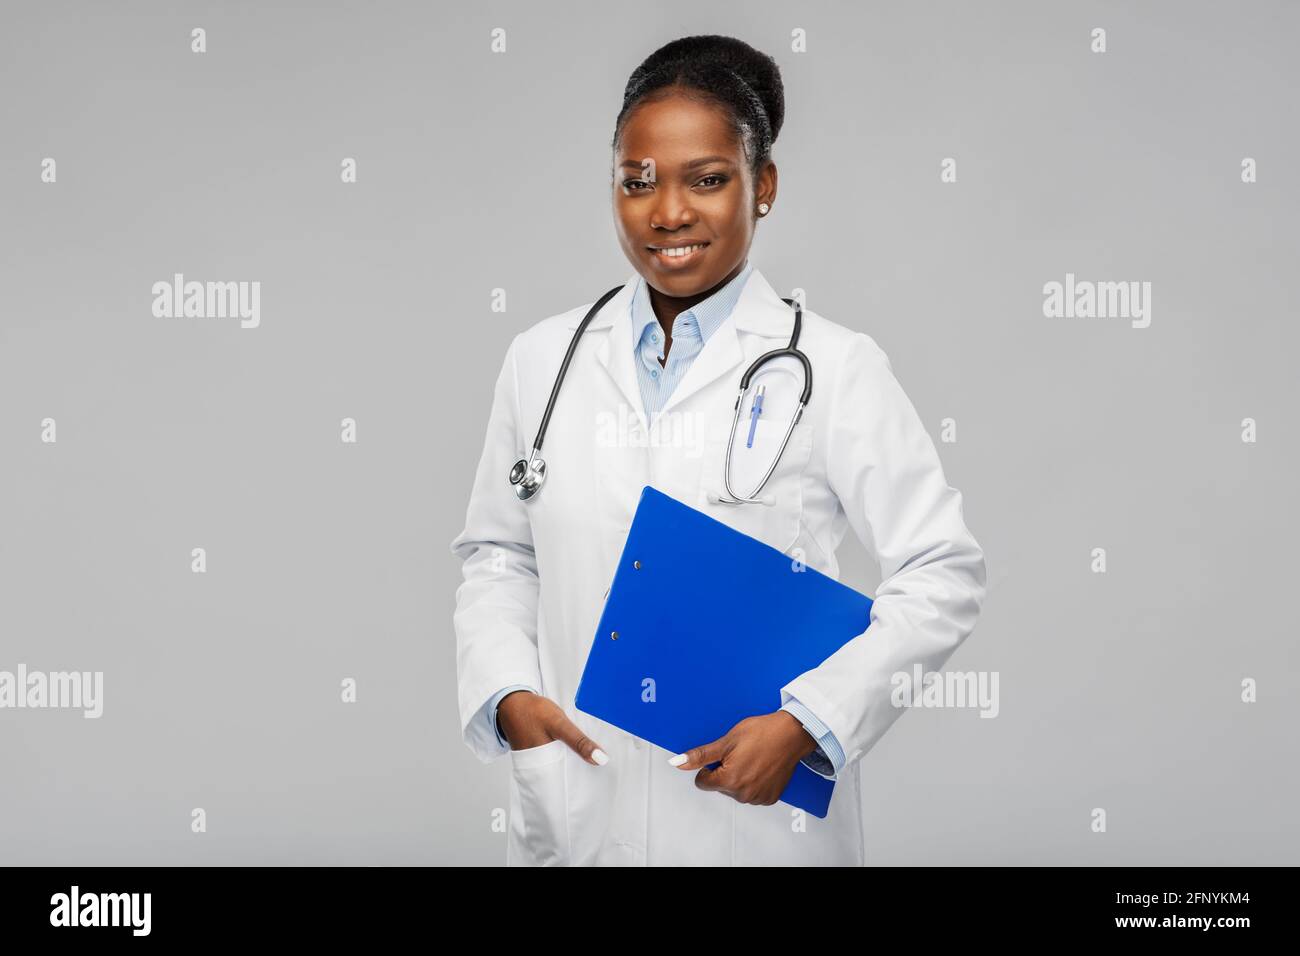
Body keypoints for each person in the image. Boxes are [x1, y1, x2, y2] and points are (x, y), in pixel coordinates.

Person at [449, 34, 987, 866]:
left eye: (707, 179)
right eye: (638, 182)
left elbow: (942, 572)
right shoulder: (542, 360)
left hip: (755, 828)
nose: (668, 212)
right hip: (580, 804)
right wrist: (509, 695)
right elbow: (498, 556)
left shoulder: (836, 367)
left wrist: (810, 721)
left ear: (761, 186)